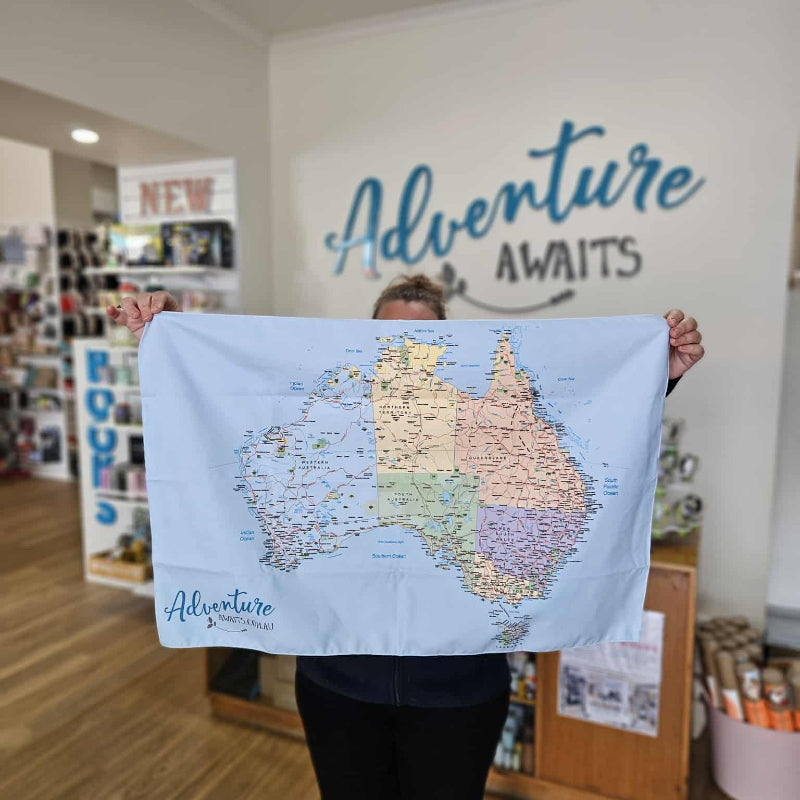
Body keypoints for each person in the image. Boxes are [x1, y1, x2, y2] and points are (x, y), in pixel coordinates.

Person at [107, 275, 704, 799]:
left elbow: (573, 419)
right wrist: (168, 337)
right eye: (389, 343)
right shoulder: (329, 424)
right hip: (339, 684)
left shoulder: (483, 429)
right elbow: (232, 401)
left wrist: (658, 374)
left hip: (461, 690)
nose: (406, 356)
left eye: (424, 344)